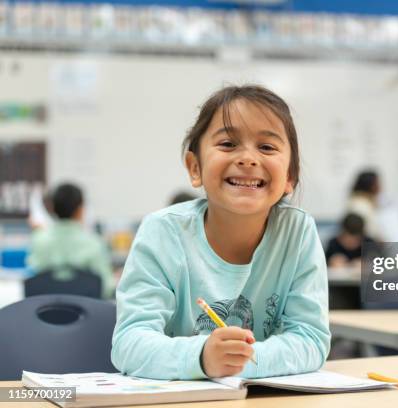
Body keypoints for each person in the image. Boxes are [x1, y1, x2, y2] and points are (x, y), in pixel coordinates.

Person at [111, 85, 331, 380]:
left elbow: (310, 339)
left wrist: (239, 360)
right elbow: (129, 344)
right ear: (194, 167)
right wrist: (201, 358)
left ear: (290, 176)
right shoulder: (162, 232)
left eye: (266, 147)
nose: (248, 158)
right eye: (228, 144)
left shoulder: (298, 232)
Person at [27, 183, 114, 299]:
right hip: (87, 314)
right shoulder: (94, 242)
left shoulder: (39, 240)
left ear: (52, 208)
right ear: (81, 209)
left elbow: (35, 279)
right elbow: (107, 289)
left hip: (47, 313)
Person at [346, 170, 382, 241]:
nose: (379, 187)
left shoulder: (369, 202)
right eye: (377, 183)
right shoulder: (359, 204)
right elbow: (367, 231)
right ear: (370, 186)